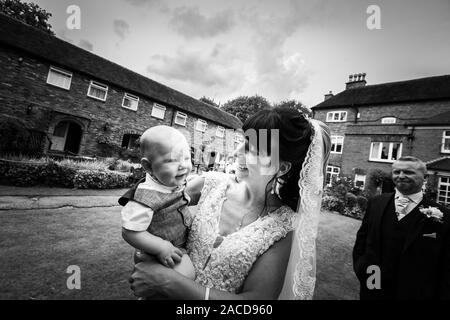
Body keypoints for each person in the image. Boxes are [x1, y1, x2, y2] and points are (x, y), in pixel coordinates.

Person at [127, 107, 331, 300]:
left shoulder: (283, 227)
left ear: (282, 167)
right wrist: (149, 246)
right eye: (242, 142)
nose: (236, 153)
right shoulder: (211, 183)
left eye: (251, 148)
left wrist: (167, 282)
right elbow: (152, 199)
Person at [353, 156, 450, 300]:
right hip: (373, 286)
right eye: (396, 172)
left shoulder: (444, 215)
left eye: (408, 172)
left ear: (425, 177)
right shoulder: (376, 203)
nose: (401, 176)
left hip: (415, 292)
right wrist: (361, 268)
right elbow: (362, 240)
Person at [119, 126, 195, 280]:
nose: (183, 165)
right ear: (148, 166)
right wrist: (161, 247)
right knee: (187, 276)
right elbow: (130, 231)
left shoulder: (171, 182)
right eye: (172, 160)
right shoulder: (145, 198)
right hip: (164, 249)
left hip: (180, 241)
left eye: (186, 158)